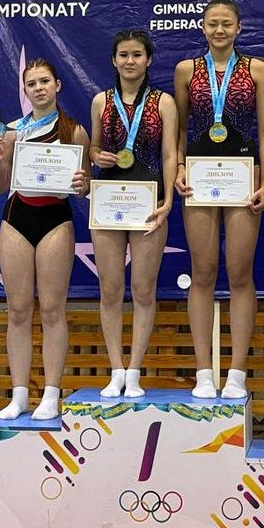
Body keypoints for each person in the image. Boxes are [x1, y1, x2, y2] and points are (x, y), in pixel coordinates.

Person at [174, 0, 264, 399]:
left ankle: (236, 373)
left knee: (239, 273)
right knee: (202, 271)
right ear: (203, 27)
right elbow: (180, 128)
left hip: (243, 177)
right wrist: (179, 167)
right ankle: (203, 371)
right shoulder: (187, 70)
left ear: (239, 28)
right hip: (199, 178)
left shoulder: (256, 69)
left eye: (226, 24)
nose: (219, 30)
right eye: (213, 23)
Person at [0, 58, 90, 420]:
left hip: (55, 219)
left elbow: (83, 187)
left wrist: (83, 184)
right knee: (17, 310)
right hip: (17, 218)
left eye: (45, 81)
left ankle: (51, 393)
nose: (39, 88)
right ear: (25, 90)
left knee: (53, 310)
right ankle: (19, 394)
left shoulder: (74, 131)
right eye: (32, 83)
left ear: (58, 85)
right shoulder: (11, 132)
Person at [89, 31, 178, 398]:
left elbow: (170, 154)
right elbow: (93, 148)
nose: (130, 61)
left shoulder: (164, 102)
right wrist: (96, 155)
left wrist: (168, 199)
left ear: (148, 60)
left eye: (137, 54)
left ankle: (136, 369)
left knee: (143, 289)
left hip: (149, 201)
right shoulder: (100, 101)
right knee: (110, 289)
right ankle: (116, 369)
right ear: (114, 60)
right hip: (108, 201)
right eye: (123, 55)